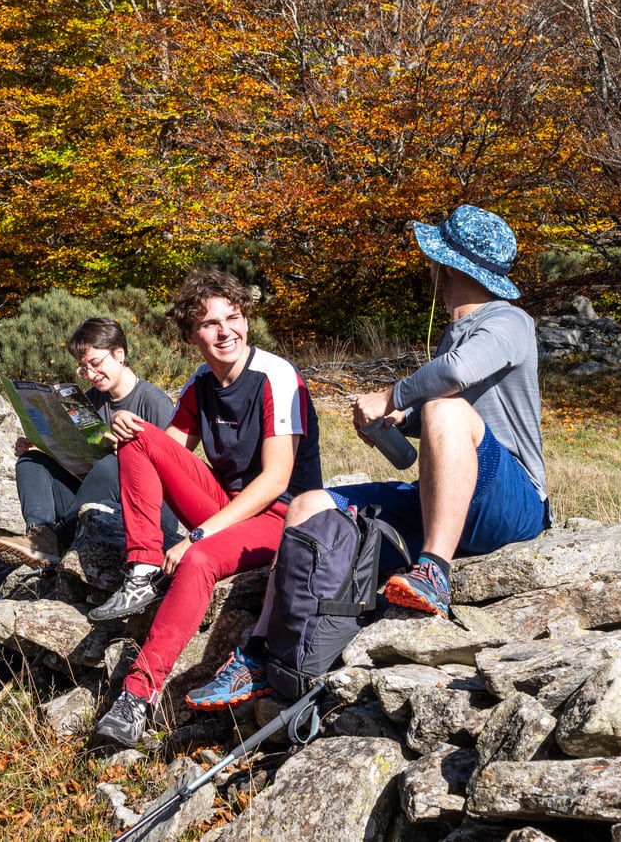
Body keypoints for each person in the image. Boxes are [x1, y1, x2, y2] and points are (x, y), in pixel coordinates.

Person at [185, 204, 547, 713]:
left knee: (443, 405)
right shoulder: (453, 335)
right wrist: (396, 426)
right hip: (449, 500)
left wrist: (396, 397)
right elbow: (419, 452)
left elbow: (457, 378)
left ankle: (435, 571)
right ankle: (262, 654)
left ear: (446, 266)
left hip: (515, 504)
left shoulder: (509, 321)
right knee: (310, 504)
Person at [91, 270, 322, 748]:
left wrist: (200, 535)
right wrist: (121, 435)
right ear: (192, 335)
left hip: (284, 516)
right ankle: (141, 570)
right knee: (136, 432)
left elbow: (277, 480)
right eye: (210, 324)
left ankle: (138, 694)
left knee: (197, 560)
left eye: (233, 318)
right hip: (230, 507)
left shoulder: (276, 377)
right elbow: (163, 451)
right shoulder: (200, 381)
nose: (225, 332)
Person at [0, 316, 175, 569]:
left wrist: (129, 455)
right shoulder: (89, 400)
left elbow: (173, 473)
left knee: (111, 465)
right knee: (31, 461)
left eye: (96, 363)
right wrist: (43, 446)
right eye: (83, 367)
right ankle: (40, 535)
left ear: (119, 354)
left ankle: (55, 540)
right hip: (90, 501)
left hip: (142, 511)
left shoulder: (154, 401)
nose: (90, 374)